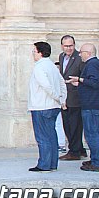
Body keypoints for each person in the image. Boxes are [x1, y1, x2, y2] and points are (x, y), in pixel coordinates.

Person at [28, 41, 66, 172]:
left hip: (41, 106)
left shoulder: (39, 67)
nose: (33, 54)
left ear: (40, 52)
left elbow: (46, 86)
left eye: (34, 51)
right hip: (53, 106)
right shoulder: (52, 66)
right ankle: (52, 164)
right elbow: (62, 83)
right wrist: (61, 99)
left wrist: (57, 97)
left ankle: (44, 164)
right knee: (51, 136)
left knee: (43, 136)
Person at [69, 43, 99, 172]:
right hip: (95, 104)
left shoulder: (92, 65)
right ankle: (96, 159)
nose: (79, 55)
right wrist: (80, 83)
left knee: (92, 135)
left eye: (81, 52)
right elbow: (93, 83)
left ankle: (98, 163)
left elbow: (95, 82)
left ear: (88, 53)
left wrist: (80, 80)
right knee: (93, 134)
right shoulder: (97, 64)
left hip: (92, 106)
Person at [58, 35, 86, 161]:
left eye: (71, 45)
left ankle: (74, 152)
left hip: (75, 97)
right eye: (66, 46)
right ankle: (79, 149)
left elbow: (83, 76)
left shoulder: (79, 58)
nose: (69, 48)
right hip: (65, 97)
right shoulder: (61, 56)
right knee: (67, 125)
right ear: (62, 46)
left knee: (74, 126)